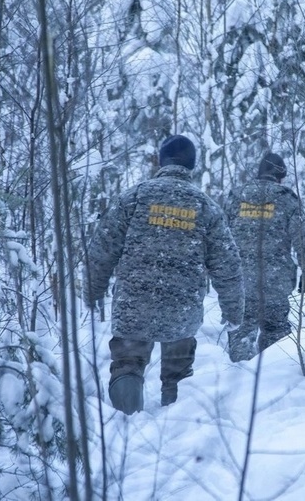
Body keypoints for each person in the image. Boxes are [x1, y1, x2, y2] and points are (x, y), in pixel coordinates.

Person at [83, 135, 244, 414]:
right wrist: (233, 311)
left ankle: (126, 426)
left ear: (161, 161)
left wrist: (92, 290)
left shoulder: (134, 197)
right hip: (181, 306)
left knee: (127, 365)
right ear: (191, 165)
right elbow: (228, 265)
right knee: (178, 375)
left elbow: (102, 249)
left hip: (135, 302)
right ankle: (175, 425)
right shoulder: (205, 207)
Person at [224, 152, 305, 361]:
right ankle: (272, 378)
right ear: (281, 176)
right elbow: (304, 239)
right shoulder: (286, 200)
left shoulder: (236, 197)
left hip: (240, 283)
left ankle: (239, 378)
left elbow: (220, 236)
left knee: (241, 333)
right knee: (276, 336)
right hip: (275, 283)